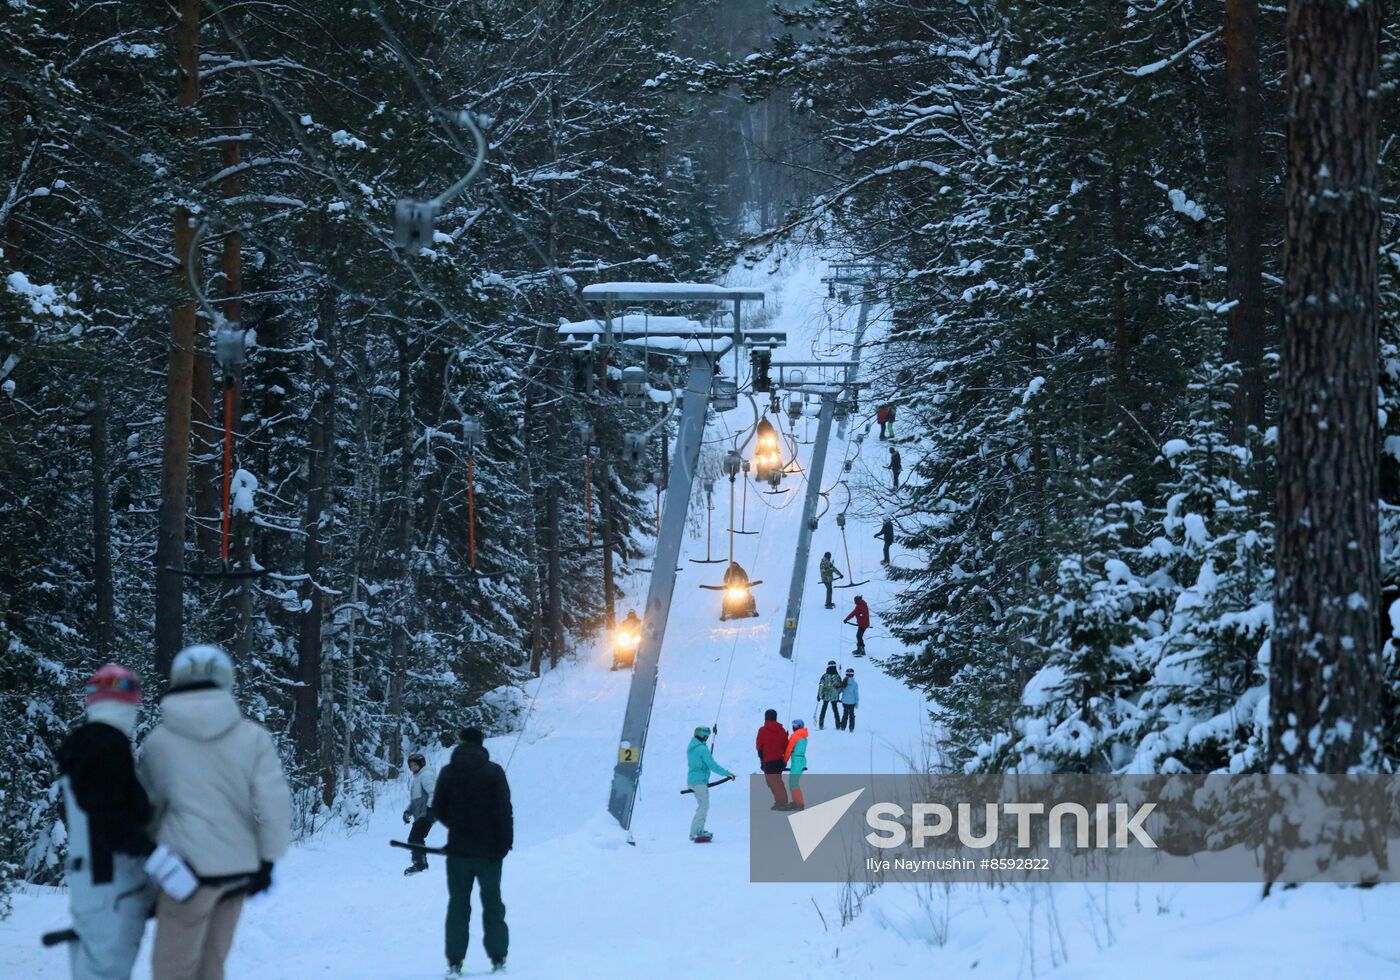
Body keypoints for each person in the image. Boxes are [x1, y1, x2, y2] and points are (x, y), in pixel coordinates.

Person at [141, 644, 291, 980]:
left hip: (183, 873)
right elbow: (274, 802)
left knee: (172, 970)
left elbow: (149, 812)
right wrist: (268, 860)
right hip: (238, 870)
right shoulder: (253, 736)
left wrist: (148, 869)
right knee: (212, 966)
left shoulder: (158, 742)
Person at [57, 664, 156, 980]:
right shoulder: (107, 745)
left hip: (93, 885)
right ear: (132, 703)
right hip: (110, 886)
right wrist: (158, 859)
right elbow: (110, 822)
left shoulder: (83, 745)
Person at [432, 726, 513, 975]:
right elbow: (504, 811)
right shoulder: (494, 772)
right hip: (490, 853)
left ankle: (455, 962)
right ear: (481, 743)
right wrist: (504, 843)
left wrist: (456, 826)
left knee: (458, 904)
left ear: (460, 743)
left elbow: (439, 808)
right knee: (492, 903)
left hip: (458, 851)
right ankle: (498, 958)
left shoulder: (448, 772)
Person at [685, 726, 733, 842]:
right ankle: (695, 833)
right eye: (706, 736)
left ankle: (698, 830)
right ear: (703, 736)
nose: (707, 738)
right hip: (699, 782)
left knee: (703, 806)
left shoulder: (692, 746)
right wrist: (727, 773)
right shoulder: (702, 749)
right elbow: (712, 765)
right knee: (703, 806)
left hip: (693, 781)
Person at [402, 751, 438, 876]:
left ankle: (420, 864)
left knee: (415, 838)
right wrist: (408, 811)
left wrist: (430, 809)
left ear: (421, 763)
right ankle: (421, 864)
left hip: (428, 813)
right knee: (415, 838)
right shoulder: (417, 779)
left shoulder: (426, 775)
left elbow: (434, 792)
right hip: (421, 814)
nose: (412, 768)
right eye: (410, 766)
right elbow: (415, 801)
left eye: (415, 765)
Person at [755, 710, 790, 810]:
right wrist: (784, 761)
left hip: (768, 761)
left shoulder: (762, 730)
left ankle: (782, 802)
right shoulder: (781, 730)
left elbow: (759, 746)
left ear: (766, 717)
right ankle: (780, 802)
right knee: (777, 781)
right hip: (779, 760)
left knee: (772, 782)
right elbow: (786, 746)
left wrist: (762, 760)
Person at [784, 720, 809, 811]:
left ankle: (799, 804)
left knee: (793, 783)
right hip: (801, 761)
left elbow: (789, 749)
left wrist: (784, 761)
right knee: (793, 783)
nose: (793, 727)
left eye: (794, 725)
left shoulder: (795, 736)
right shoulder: (804, 736)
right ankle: (796, 802)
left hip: (797, 762)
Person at [816, 661, 843, 730]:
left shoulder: (824, 676)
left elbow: (821, 686)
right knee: (835, 710)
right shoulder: (837, 676)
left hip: (826, 696)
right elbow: (840, 687)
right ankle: (837, 725)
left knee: (823, 710)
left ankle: (821, 725)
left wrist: (819, 695)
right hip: (834, 697)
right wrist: (837, 693)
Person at [838, 668, 860, 732]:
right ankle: (851, 728)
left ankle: (843, 727)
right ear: (853, 675)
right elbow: (856, 694)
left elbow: (840, 690)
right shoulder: (855, 684)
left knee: (845, 714)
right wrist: (857, 703)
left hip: (844, 701)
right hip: (852, 702)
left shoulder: (844, 682)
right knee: (852, 715)